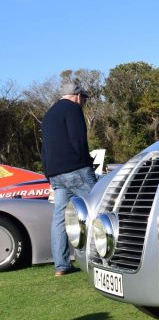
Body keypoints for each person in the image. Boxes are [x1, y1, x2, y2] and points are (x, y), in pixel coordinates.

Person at [41, 79, 97, 276]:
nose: (84, 103)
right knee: (99, 208)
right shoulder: (73, 110)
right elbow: (78, 139)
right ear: (78, 96)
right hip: (76, 169)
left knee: (60, 218)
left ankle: (61, 265)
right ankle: (103, 258)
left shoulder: (49, 114)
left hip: (55, 173)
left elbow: (45, 148)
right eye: (84, 99)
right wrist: (87, 162)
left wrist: (48, 174)